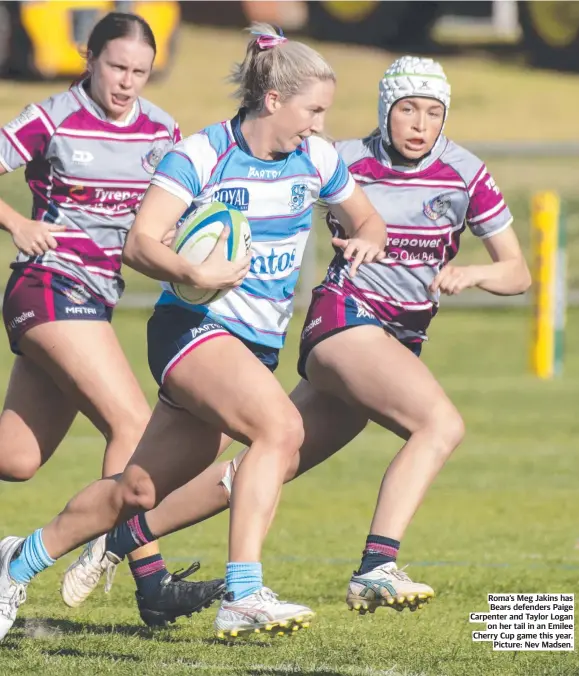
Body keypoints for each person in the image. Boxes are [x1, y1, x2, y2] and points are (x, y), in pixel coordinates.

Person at [60, 54, 531, 617]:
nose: (419, 123)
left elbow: (518, 273)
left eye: (433, 112)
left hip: (396, 342)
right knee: (440, 423)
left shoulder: (464, 172)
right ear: (386, 111)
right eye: (407, 109)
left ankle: (121, 537)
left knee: (268, 462)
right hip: (345, 322)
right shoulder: (337, 154)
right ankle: (374, 566)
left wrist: (473, 273)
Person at [0, 24, 387, 641]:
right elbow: (139, 242)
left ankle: (16, 561)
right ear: (273, 100)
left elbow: (367, 218)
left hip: (254, 348)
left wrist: (367, 238)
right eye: (312, 109)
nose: (319, 122)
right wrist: (193, 270)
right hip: (192, 329)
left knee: (136, 489)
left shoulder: (318, 158)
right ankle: (244, 592)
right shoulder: (202, 153)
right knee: (281, 430)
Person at [0, 12, 225, 628]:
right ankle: (149, 583)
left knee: (16, 459)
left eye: (140, 72)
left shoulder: (162, 131)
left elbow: (178, 214)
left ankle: (11, 556)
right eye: (116, 67)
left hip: (94, 301)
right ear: (88, 58)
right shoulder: (52, 116)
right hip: (45, 288)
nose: (127, 82)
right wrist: (18, 224)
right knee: (132, 423)